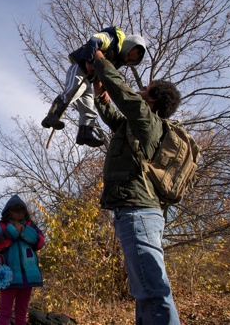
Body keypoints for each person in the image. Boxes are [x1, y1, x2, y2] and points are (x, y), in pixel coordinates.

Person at [91, 50, 181, 324]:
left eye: (145, 88)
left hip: (139, 213)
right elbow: (112, 114)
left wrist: (101, 61)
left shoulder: (150, 123)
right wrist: (99, 89)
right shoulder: (133, 127)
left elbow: (125, 97)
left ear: (152, 99)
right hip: (133, 213)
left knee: (153, 293)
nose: (140, 90)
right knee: (144, 292)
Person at [41, 26, 146, 147]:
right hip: (80, 68)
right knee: (74, 90)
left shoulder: (116, 60)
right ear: (128, 46)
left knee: (89, 105)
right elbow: (94, 41)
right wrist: (88, 61)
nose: (126, 59)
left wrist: (104, 90)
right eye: (128, 55)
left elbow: (102, 75)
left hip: (88, 80)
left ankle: (85, 133)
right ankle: (52, 116)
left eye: (129, 60)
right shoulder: (112, 39)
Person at [0, 195, 45, 325]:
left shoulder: (30, 225)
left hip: (28, 276)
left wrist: (24, 231)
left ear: (25, 211)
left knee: (22, 312)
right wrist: (13, 231)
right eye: (15, 209)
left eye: (21, 209)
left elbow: (40, 242)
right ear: (8, 211)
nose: (18, 212)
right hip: (9, 276)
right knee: (5, 311)